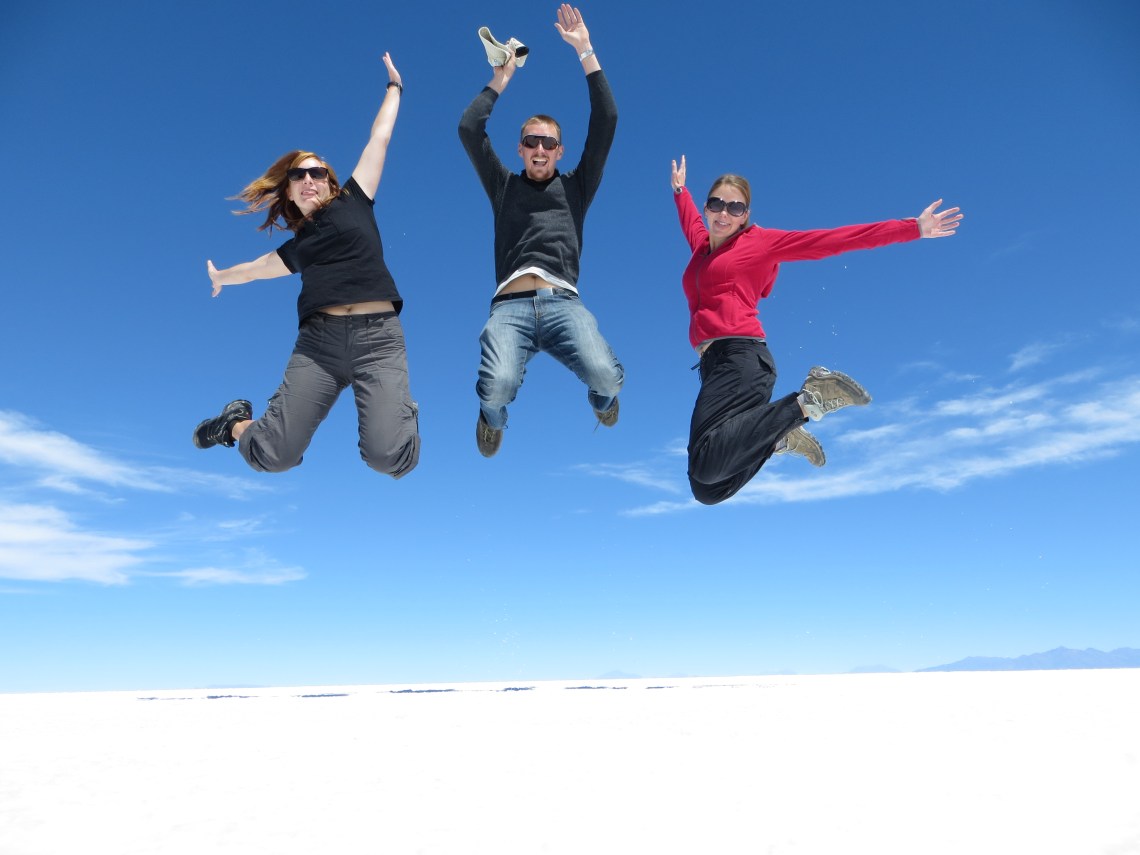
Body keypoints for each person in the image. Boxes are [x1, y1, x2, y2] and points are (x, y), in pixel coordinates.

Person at [670, 155, 962, 505]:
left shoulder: (760, 243)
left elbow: (830, 241)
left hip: (742, 359)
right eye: (717, 203)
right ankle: (778, 436)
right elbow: (689, 223)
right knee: (707, 488)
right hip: (714, 366)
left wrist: (912, 228)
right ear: (707, 207)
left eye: (735, 207)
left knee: (705, 465)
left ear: (745, 215)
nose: (724, 213)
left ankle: (808, 401)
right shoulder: (702, 248)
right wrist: (679, 190)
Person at [194, 53, 419, 480]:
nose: (309, 179)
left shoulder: (356, 199)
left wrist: (394, 89)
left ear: (332, 182)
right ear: (291, 193)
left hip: (379, 341)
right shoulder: (299, 246)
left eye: (317, 172)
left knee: (388, 458)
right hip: (319, 347)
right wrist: (221, 276)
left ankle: (397, 411)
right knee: (273, 455)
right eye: (299, 176)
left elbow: (379, 138)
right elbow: (258, 268)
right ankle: (234, 423)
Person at [458, 4, 624, 458]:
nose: (539, 149)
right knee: (498, 385)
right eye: (530, 141)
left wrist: (585, 50)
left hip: (563, 304)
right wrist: (502, 78)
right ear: (520, 148)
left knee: (606, 376)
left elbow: (606, 120)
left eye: (548, 143)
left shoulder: (576, 187)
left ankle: (603, 401)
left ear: (559, 150)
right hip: (510, 308)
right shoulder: (504, 186)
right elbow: (469, 129)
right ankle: (491, 420)